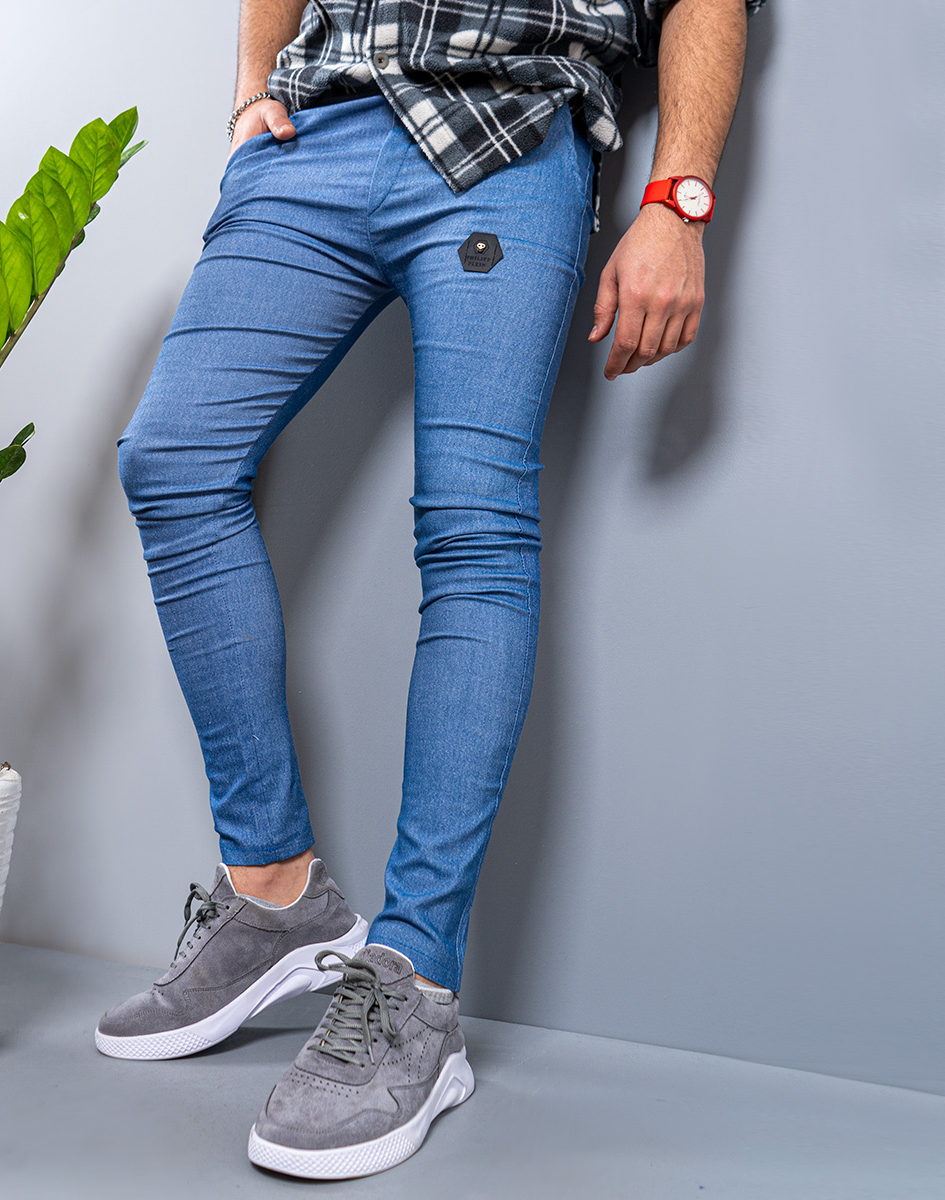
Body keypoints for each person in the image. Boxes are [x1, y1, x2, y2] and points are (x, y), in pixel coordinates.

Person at [103, 0, 764, 1179]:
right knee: (172, 460)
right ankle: (275, 895)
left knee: (473, 533)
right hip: (318, 129)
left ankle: (415, 980)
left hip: (509, 132)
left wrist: (678, 200)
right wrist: (254, 86)